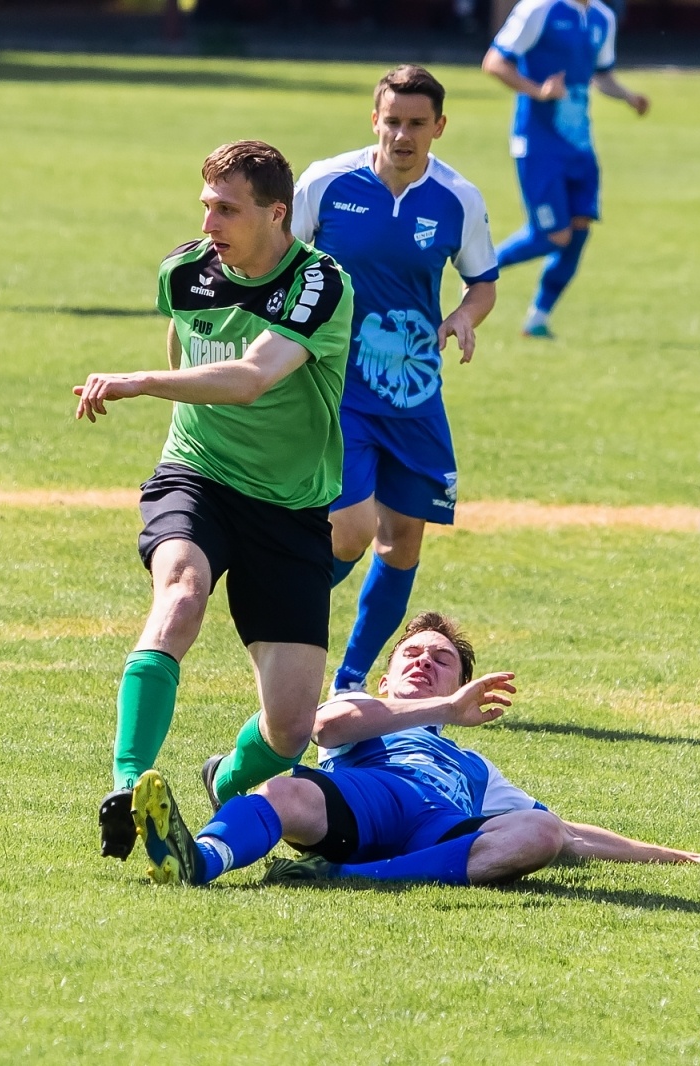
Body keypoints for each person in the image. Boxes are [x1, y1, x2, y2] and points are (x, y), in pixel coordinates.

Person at [72, 141, 354, 861]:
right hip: (196, 476)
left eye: (227, 210)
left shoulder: (320, 283)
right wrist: (174, 406)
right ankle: (129, 786)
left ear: (276, 213)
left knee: (290, 728)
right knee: (181, 591)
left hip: (289, 508)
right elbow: (184, 343)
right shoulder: (184, 270)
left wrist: (140, 383)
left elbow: (251, 378)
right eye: (205, 206)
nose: (209, 224)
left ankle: (223, 780)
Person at [131, 612, 700, 888]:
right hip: (362, 800)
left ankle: (350, 878)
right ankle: (200, 860)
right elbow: (326, 729)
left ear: (461, 682)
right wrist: (443, 710)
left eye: (441, 660)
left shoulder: (474, 766)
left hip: (434, 827)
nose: (424, 662)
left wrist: (684, 856)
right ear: (385, 677)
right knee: (286, 791)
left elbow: (569, 835)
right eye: (412, 654)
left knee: (540, 831)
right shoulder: (365, 705)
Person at [288, 65, 497, 702]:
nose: (402, 135)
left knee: (402, 542)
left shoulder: (458, 198)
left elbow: (482, 283)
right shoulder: (325, 183)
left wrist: (463, 316)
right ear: (374, 120)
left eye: (416, 123)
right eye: (392, 120)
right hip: (337, 386)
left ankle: (351, 679)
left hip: (413, 394)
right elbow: (280, 263)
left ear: (439, 126)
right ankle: (279, 612)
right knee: (349, 530)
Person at [482, 0, 649, 337]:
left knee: (579, 229)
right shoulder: (538, 9)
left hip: (579, 145)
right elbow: (494, 63)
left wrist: (628, 97)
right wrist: (538, 91)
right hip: (538, 143)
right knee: (551, 235)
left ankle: (538, 318)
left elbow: (601, 74)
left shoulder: (603, 17)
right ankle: (480, 270)